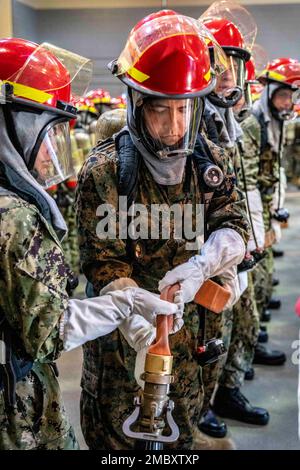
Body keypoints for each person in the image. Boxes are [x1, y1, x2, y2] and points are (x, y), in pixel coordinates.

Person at [76, 10, 249, 450]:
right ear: (136, 105)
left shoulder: (208, 160)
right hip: (124, 350)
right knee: (119, 444)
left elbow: (233, 224)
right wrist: (139, 323)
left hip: (191, 345)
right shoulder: (107, 172)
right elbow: (102, 263)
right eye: (160, 112)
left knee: (181, 440)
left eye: (182, 110)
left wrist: (203, 264)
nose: (174, 129)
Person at [0, 37, 182, 450]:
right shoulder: (12, 215)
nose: (50, 153)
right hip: (14, 405)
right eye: (45, 133)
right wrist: (125, 304)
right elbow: (48, 334)